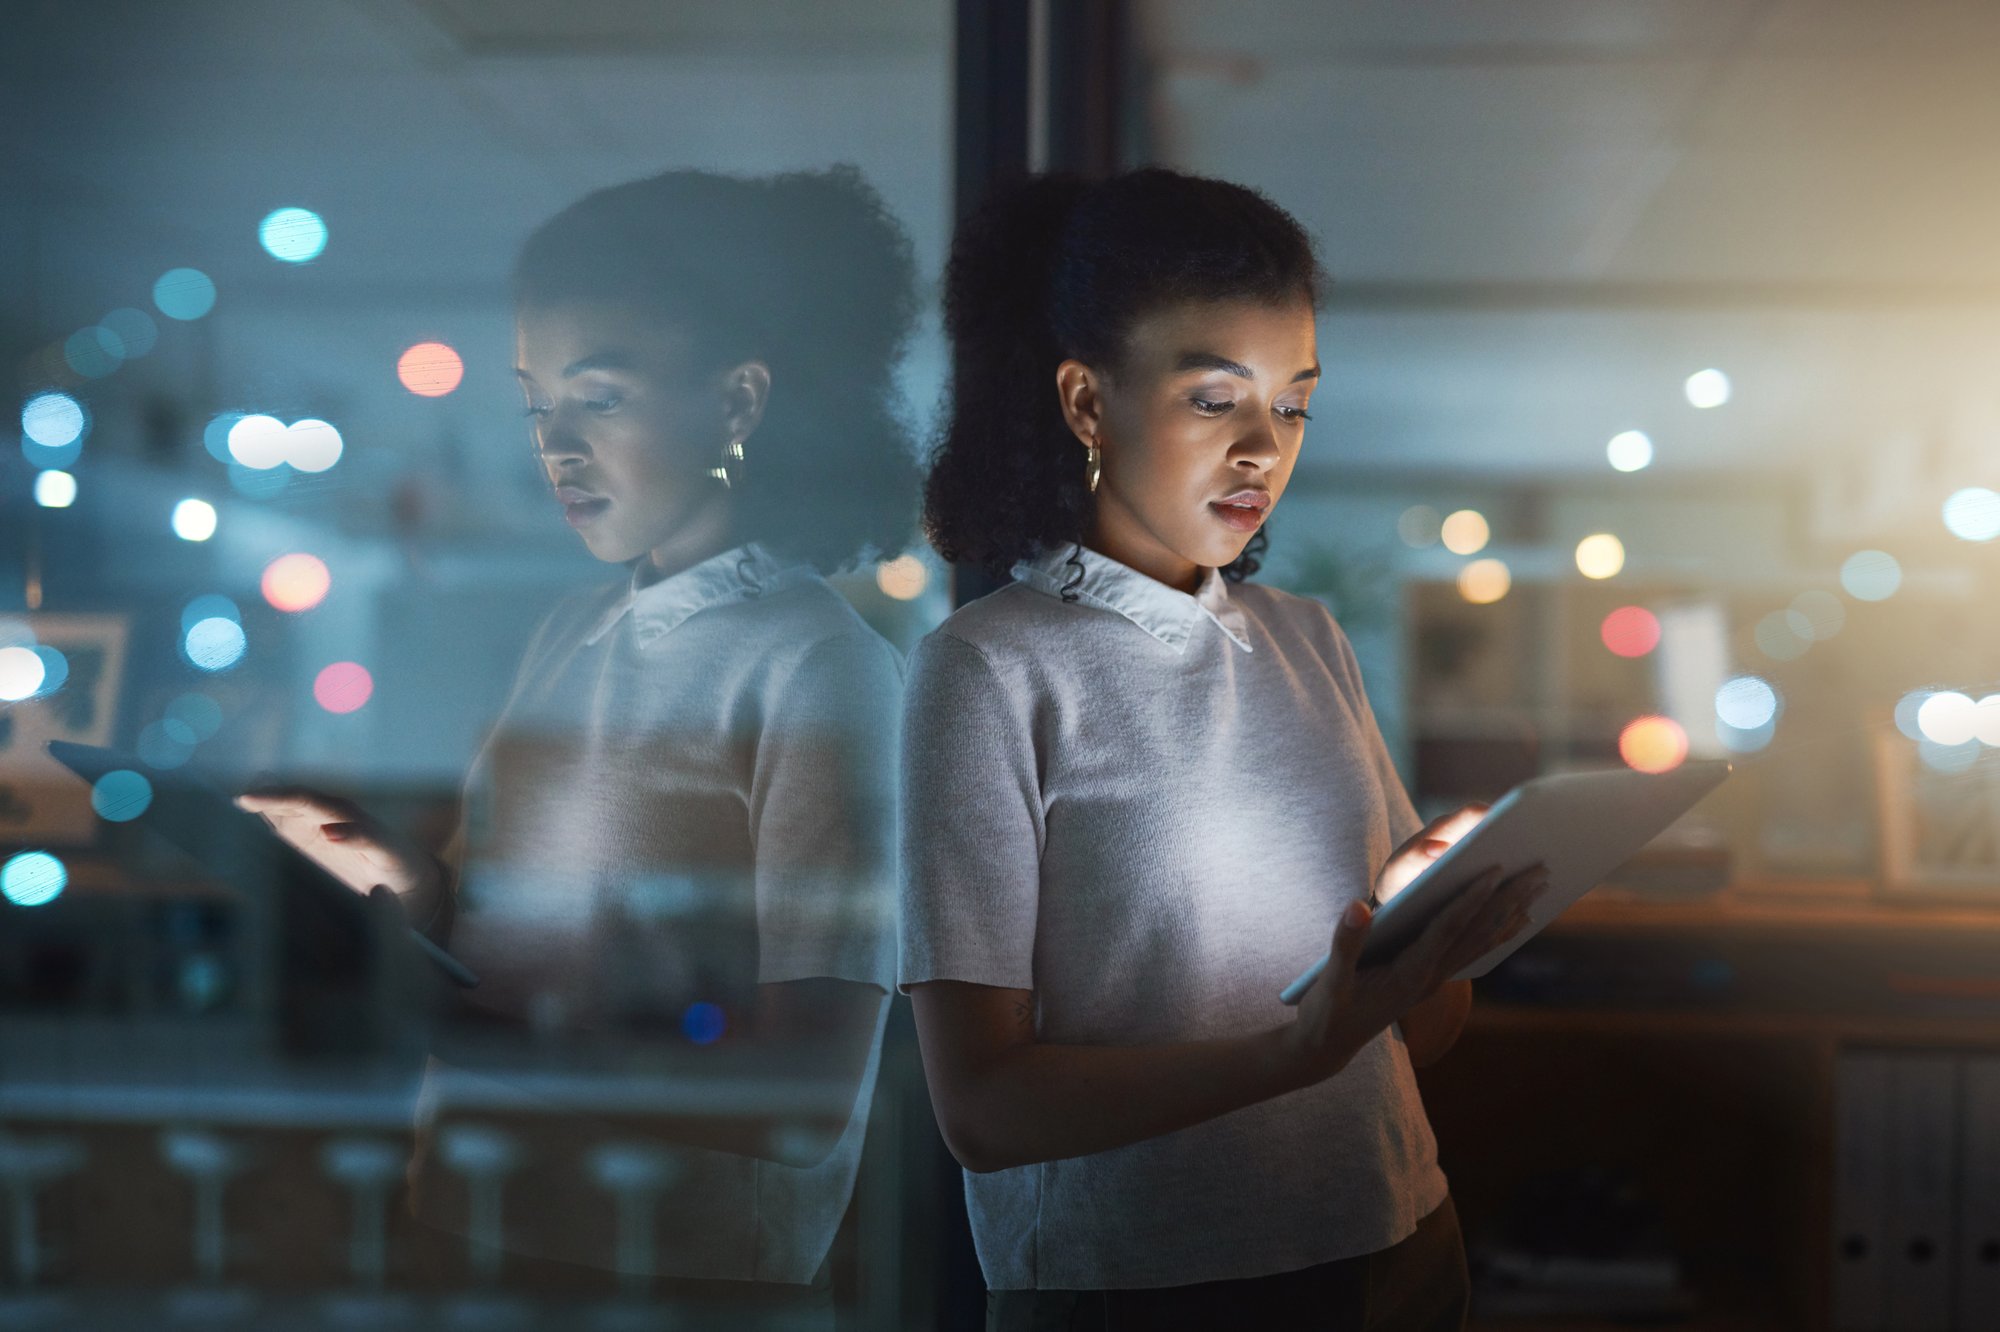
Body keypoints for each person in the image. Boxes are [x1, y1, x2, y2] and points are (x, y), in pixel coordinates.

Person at [241, 165, 918, 1322]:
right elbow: (500, 922)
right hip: (474, 1216)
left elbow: (803, 1082)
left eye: (598, 399)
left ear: (740, 403)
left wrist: (477, 1021)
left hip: (675, 1273)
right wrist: (390, 874)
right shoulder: (574, 626)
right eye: (534, 404)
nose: (552, 447)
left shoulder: (823, 668)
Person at [900, 167, 1549, 1331]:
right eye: (1214, 401)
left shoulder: (1306, 639)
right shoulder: (987, 671)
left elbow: (1414, 1035)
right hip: (1142, 1287)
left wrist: (1438, 944)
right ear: (1086, 403)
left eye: (1291, 404)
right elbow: (981, 1113)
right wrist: (1293, 1049)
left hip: (1398, 1243)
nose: (1263, 448)